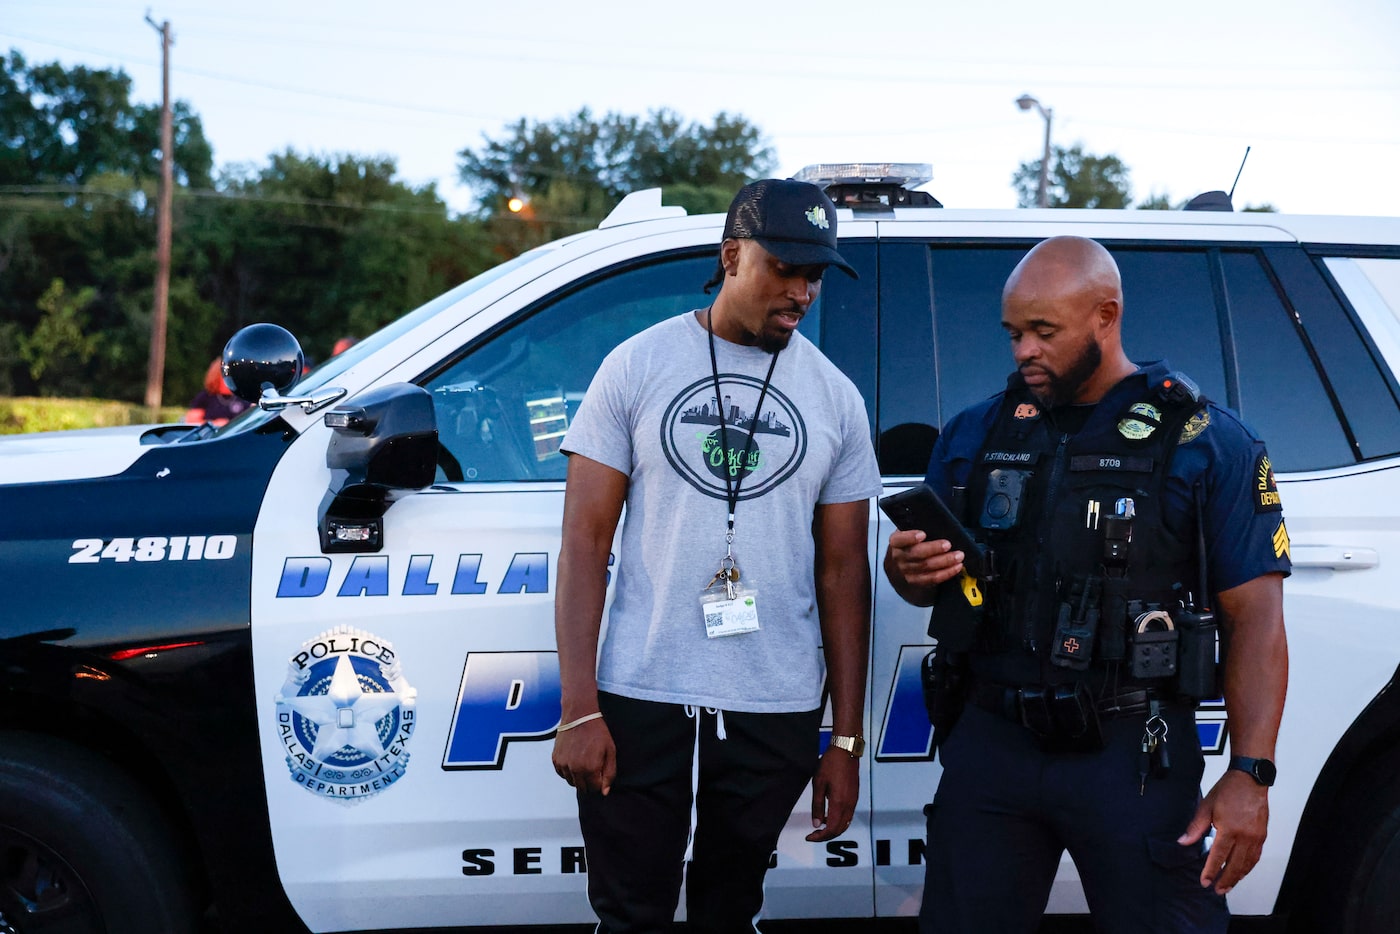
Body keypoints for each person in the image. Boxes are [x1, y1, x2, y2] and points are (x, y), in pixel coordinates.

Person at [884, 236, 1289, 933]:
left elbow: (1255, 617)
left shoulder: (1203, 440)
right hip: (993, 745)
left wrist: (1250, 773)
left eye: (1044, 332)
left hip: (1132, 751)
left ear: (1106, 316)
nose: (1023, 352)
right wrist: (908, 571)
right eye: (1014, 334)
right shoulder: (976, 432)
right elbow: (929, 584)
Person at [552, 178, 882, 932]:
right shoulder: (637, 367)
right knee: (631, 913)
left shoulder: (835, 399)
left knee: (730, 912)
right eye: (785, 269)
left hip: (776, 699)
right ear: (732, 255)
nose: (802, 291)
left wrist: (847, 740)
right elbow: (583, 543)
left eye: (816, 274)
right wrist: (579, 710)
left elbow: (842, 571)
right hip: (641, 688)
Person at [183, 358, 250, 427]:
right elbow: (190, 422)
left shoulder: (243, 397)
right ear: (216, 377)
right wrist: (214, 424)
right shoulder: (205, 397)